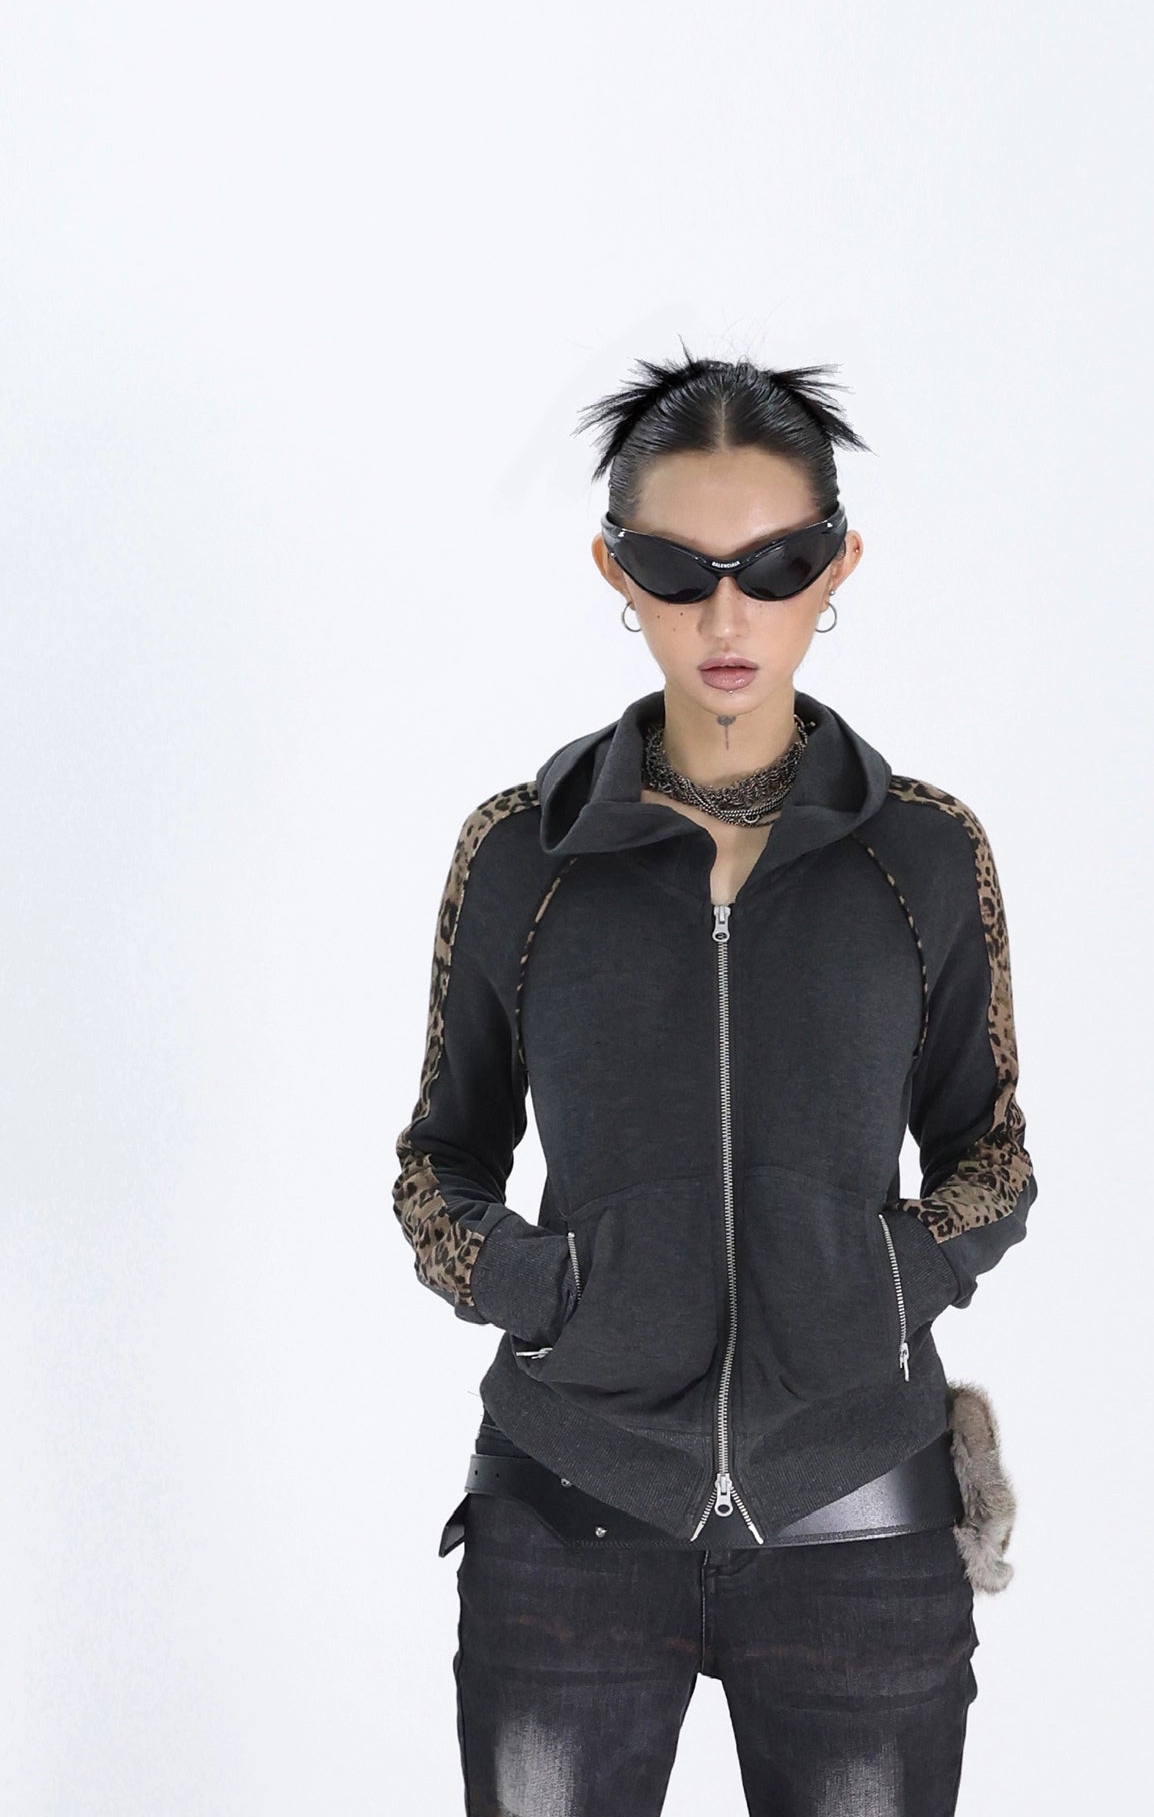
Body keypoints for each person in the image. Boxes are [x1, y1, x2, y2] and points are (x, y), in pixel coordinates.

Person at [392, 350, 1038, 1815]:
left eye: (777, 565)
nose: (728, 615)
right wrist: (552, 1293)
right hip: (567, 1517)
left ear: (838, 565)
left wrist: (876, 1282)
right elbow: (441, 1160)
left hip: (860, 1525)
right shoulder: (524, 855)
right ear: (617, 569)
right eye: (681, 571)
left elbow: (991, 1157)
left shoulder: (923, 854)